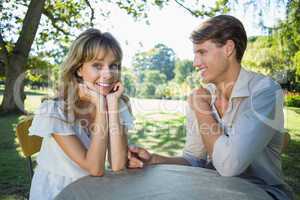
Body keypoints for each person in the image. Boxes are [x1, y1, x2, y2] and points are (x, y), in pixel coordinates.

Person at [128, 15, 294, 200]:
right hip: (214, 188)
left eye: (202, 52)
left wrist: (202, 110)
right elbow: (194, 160)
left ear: (228, 49)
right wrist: (154, 159)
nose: (195, 63)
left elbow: (229, 166)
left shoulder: (264, 91)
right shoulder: (202, 96)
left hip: (264, 192)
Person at [28, 28, 134, 200]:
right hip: (58, 192)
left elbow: (118, 165)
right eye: (97, 65)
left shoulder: (116, 103)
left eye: (113, 65)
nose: (108, 74)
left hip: (93, 189)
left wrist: (111, 106)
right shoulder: (54, 110)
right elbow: (95, 168)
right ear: (78, 69)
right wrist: (101, 106)